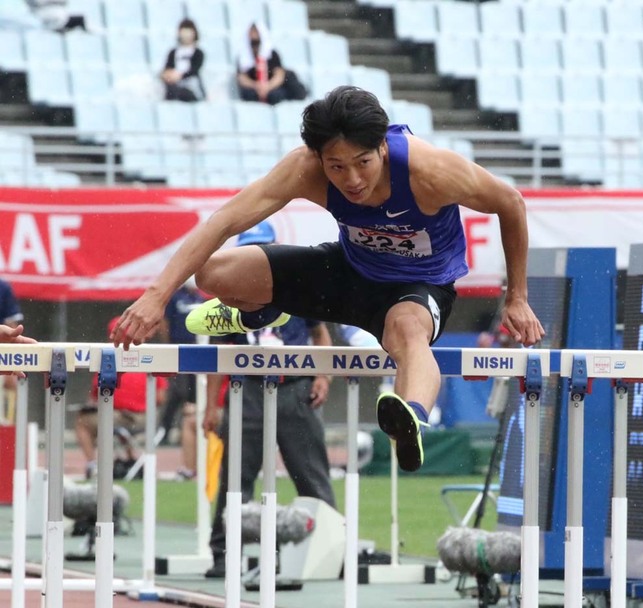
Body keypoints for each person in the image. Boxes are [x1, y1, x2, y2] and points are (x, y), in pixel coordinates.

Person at [112, 85, 545, 475]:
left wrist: (517, 297)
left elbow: (510, 202)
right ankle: (261, 309)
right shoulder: (305, 168)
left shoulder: (429, 170)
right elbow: (225, 219)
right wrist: (156, 296)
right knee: (213, 270)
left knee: (409, 332)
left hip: (416, 287)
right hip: (347, 271)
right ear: (320, 158)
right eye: (337, 167)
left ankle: (409, 417)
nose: (352, 180)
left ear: (382, 147)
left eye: (363, 163)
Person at [203, 221, 336, 579]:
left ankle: (328, 552)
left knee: (311, 472)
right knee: (236, 476)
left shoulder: (300, 288)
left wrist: (323, 375)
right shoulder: (227, 300)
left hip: (295, 387)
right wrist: (211, 406)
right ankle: (223, 553)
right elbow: (218, 353)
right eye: (250, 251)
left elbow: (320, 332)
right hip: (245, 389)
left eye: (264, 249)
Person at [76, 317, 168, 479]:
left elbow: (97, 396)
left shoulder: (108, 361)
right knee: (118, 426)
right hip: (145, 420)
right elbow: (160, 398)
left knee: (82, 422)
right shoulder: (150, 356)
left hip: (116, 418)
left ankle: (93, 463)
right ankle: (131, 459)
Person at [157, 277, 204, 480]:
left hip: (199, 353)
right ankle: (164, 430)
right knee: (176, 393)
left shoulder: (203, 300)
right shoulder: (176, 298)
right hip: (179, 351)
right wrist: (169, 348)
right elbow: (166, 323)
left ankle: (187, 427)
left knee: (194, 395)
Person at [236, 21, 306, 104]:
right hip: (255, 89)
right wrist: (256, 86)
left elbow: (279, 75)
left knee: (284, 88)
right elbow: (241, 77)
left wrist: (267, 87)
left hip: (272, 86)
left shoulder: (272, 54)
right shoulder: (243, 56)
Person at [160, 18, 206, 102]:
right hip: (174, 85)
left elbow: (194, 69)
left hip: (191, 87)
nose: (185, 35)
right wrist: (167, 75)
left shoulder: (198, 53)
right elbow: (168, 67)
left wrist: (180, 76)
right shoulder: (173, 52)